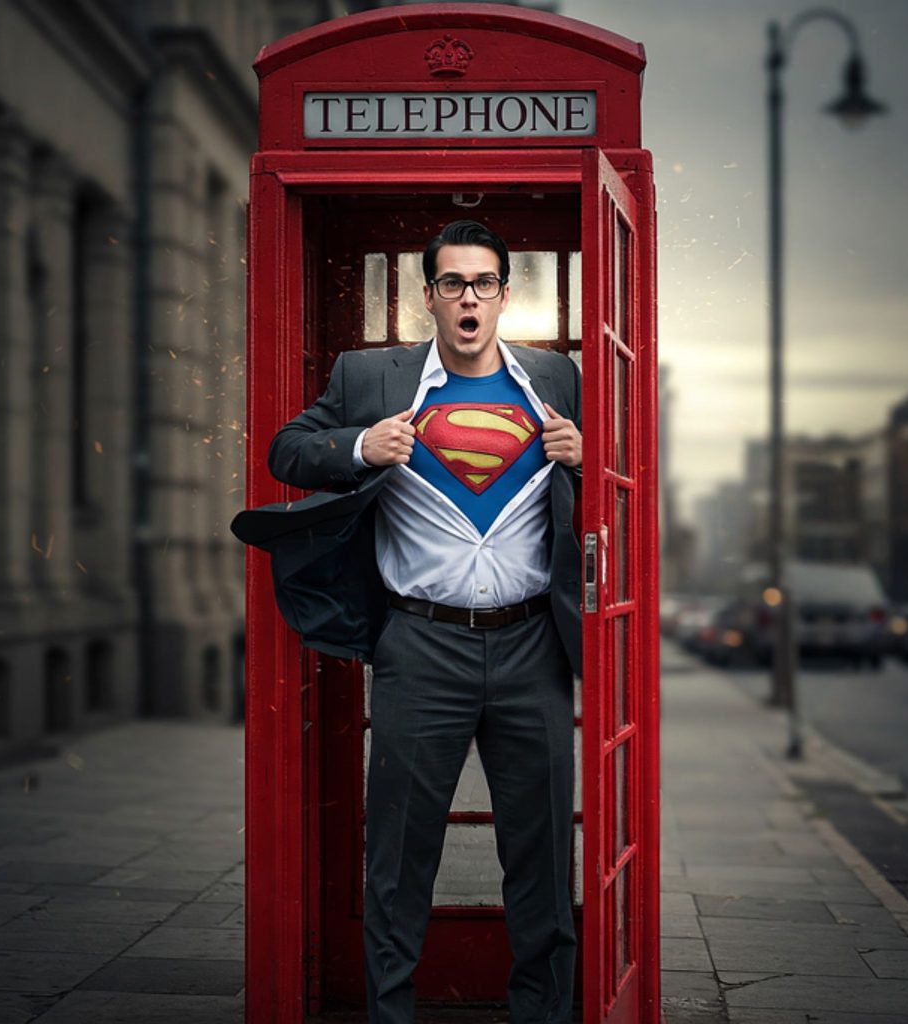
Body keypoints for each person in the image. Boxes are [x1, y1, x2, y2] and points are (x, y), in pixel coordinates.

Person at [233, 219, 583, 1024]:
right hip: (422, 644)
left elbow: (609, 487)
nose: (469, 298)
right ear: (429, 296)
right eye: (453, 283)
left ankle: (544, 1013)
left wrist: (582, 450)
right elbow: (287, 450)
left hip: (533, 644)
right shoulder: (370, 376)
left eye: (484, 282)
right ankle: (389, 1014)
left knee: (541, 857)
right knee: (399, 855)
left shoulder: (552, 379)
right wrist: (360, 445)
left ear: (504, 294)